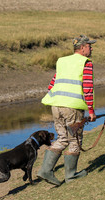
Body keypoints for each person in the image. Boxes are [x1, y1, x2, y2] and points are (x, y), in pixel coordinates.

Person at [37, 35, 97, 186]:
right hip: (72, 107)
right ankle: (71, 175)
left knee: (62, 137)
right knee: (75, 139)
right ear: (82, 48)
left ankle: (45, 170)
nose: (91, 48)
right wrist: (91, 110)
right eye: (89, 46)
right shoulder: (86, 63)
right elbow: (88, 88)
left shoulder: (62, 61)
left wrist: (55, 100)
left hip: (56, 105)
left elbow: (53, 83)